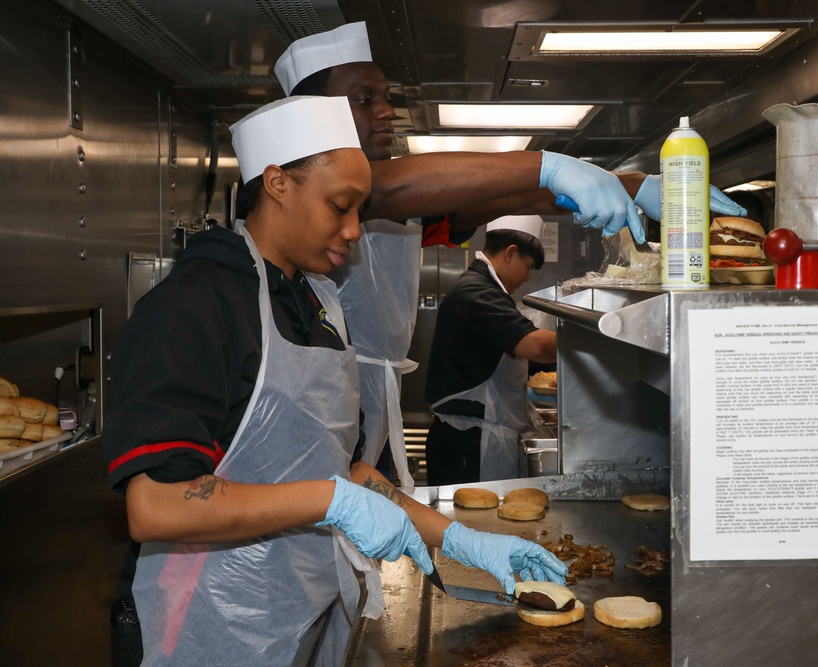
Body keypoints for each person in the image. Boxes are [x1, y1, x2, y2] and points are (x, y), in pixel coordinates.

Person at [102, 96, 566, 666]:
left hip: (299, 608)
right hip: (205, 623)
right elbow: (157, 505)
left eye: (359, 211)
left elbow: (344, 469)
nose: (352, 231)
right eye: (340, 206)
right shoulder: (196, 306)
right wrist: (333, 501)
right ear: (277, 183)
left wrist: (461, 539)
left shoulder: (315, 300)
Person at [272, 22, 749, 491]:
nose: (386, 111)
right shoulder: (339, 189)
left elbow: (518, 197)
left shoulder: (405, 203)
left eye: (386, 96)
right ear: (317, 114)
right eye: (364, 99)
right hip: (318, 404)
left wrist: (631, 184)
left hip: (371, 402)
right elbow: (387, 190)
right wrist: (551, 165)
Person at [423, 215, 554, 485]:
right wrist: (596, 337)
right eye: (527, 267)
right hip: (469, 445)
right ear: (511, 253)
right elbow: (537, 346)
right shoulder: (478, 293)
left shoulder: (483, 288)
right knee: (472, 522)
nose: (526, 278)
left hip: (474, 439)